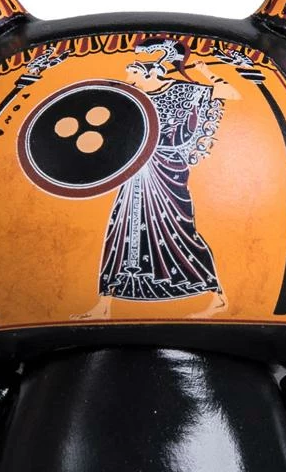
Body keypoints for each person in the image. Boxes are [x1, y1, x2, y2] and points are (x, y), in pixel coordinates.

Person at [72, 41, 240, 320]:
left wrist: (205, 72)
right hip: (134, 173)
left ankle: (218, 298)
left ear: (152, 71)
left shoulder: (182, 91)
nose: (128, 77)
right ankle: (104, 304)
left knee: (179, 231)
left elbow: (231, 92)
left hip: (167, 170)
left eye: (134, 71)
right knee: (121, 231)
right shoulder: (131, 97)